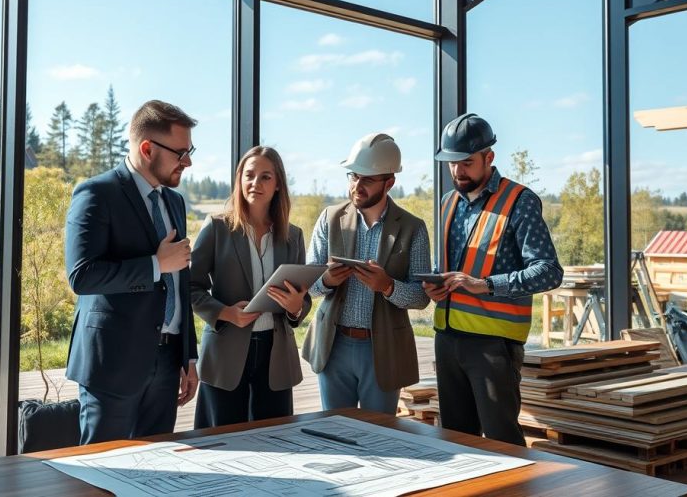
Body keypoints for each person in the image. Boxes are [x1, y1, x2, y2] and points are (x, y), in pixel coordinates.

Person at [64, 99, 200, 444]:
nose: (188, 161)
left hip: (168, 364)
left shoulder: (174, 202)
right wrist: (156, 264)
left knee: (157, 470)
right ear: (147, 148)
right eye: (181, 153)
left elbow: (179, 283)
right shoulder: (97, 193)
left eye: (189, 151)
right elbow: (82, 276)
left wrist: (188, 356)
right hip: (113, 364)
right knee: (101, 469)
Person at [425, 112, 563, 446]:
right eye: (452, 163)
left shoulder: (520, 202)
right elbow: (446, 266)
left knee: (502, 442)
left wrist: (486, 284)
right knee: (456, 443)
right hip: (447, 340)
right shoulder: (447, 203)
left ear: (489, 157)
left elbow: (549, 271)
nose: (458, 171)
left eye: (467, 162)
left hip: (493, 346)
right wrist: (433, 285)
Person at [302, 133, 432, 415]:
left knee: (380, 434)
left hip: (383, 350)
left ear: (389, 182)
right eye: (353, 176)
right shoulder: (329, 218)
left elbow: (421, 297)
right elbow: (308, 286)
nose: (356, 186)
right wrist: (326, 280)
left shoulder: (413, 228)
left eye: (367, 180)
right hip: (333, 346)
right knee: (334, 432)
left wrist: (387, 286)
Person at [190, 146, 312, 428]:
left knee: (275, 438)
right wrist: (225, 313)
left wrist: (296, 308)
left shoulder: (293, 236)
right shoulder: (217, 228)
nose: (255, 183)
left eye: (265, 177)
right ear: (239, 180)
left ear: (278, 183)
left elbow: (301, 301)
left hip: (276, 356)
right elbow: (190, 287)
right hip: (225, 355)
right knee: (220, 442)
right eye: (249, 175)